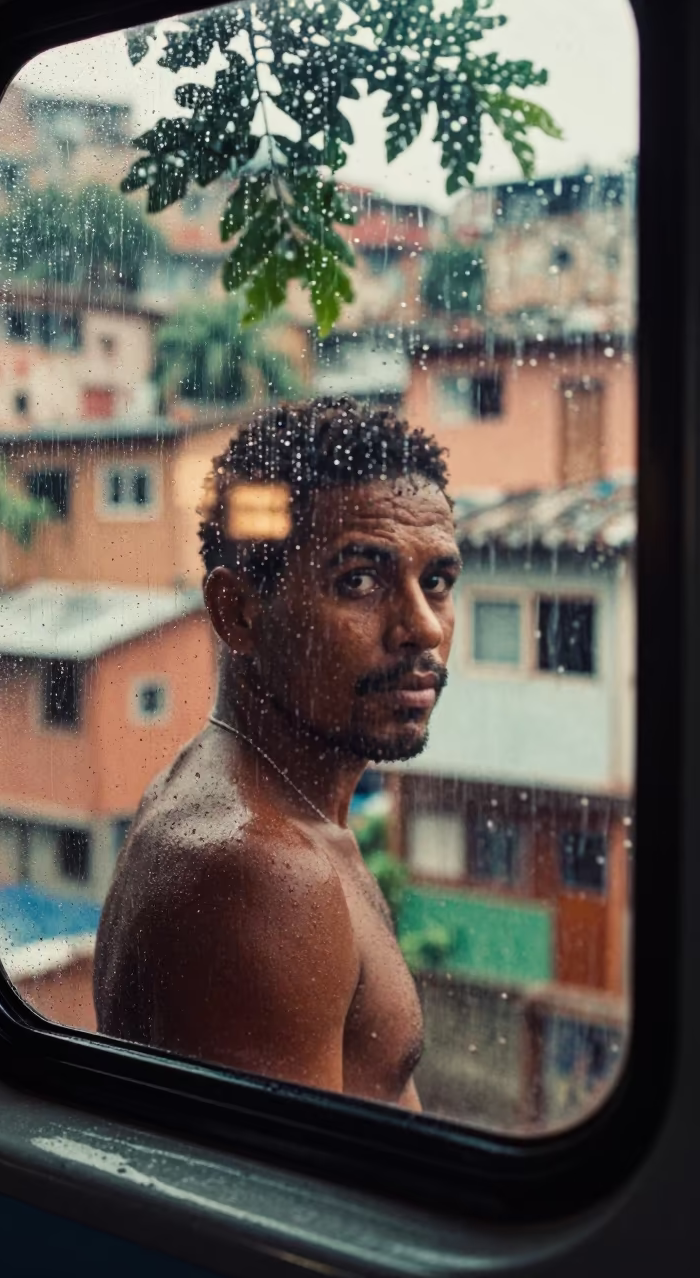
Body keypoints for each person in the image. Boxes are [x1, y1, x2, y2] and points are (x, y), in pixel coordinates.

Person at [94, 397, 460, 1111]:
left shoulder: (265, 809)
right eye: (359, 579)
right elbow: (291, 1211)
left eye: (437, 582)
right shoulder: (261, 874)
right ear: (239, 613)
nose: (422, 627)